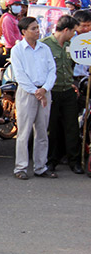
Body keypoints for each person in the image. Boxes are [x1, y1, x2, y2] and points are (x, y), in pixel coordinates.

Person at [10, 16, 56, 180]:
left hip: (44, 91)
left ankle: (40, 166)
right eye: (33, 28)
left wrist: (44, 89)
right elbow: (19, 74)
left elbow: (52, 70)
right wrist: (35, 90)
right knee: (24, 131)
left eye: (37, 28)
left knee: (42, 131)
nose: (37, 31)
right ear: (24, 32)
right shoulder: (17, 50)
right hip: (26, 92)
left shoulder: (45, 48)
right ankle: (20, 167)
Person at [40, 15, 83, 175]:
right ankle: (51, 161)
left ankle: (75, 161)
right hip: (52, 92)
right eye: (73, 32)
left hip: (68, 91)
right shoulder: (45, 45)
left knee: (71, 127)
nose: (74, 35)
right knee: (52, 128)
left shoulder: (71, 45)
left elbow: (72, 66)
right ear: (66, 30)